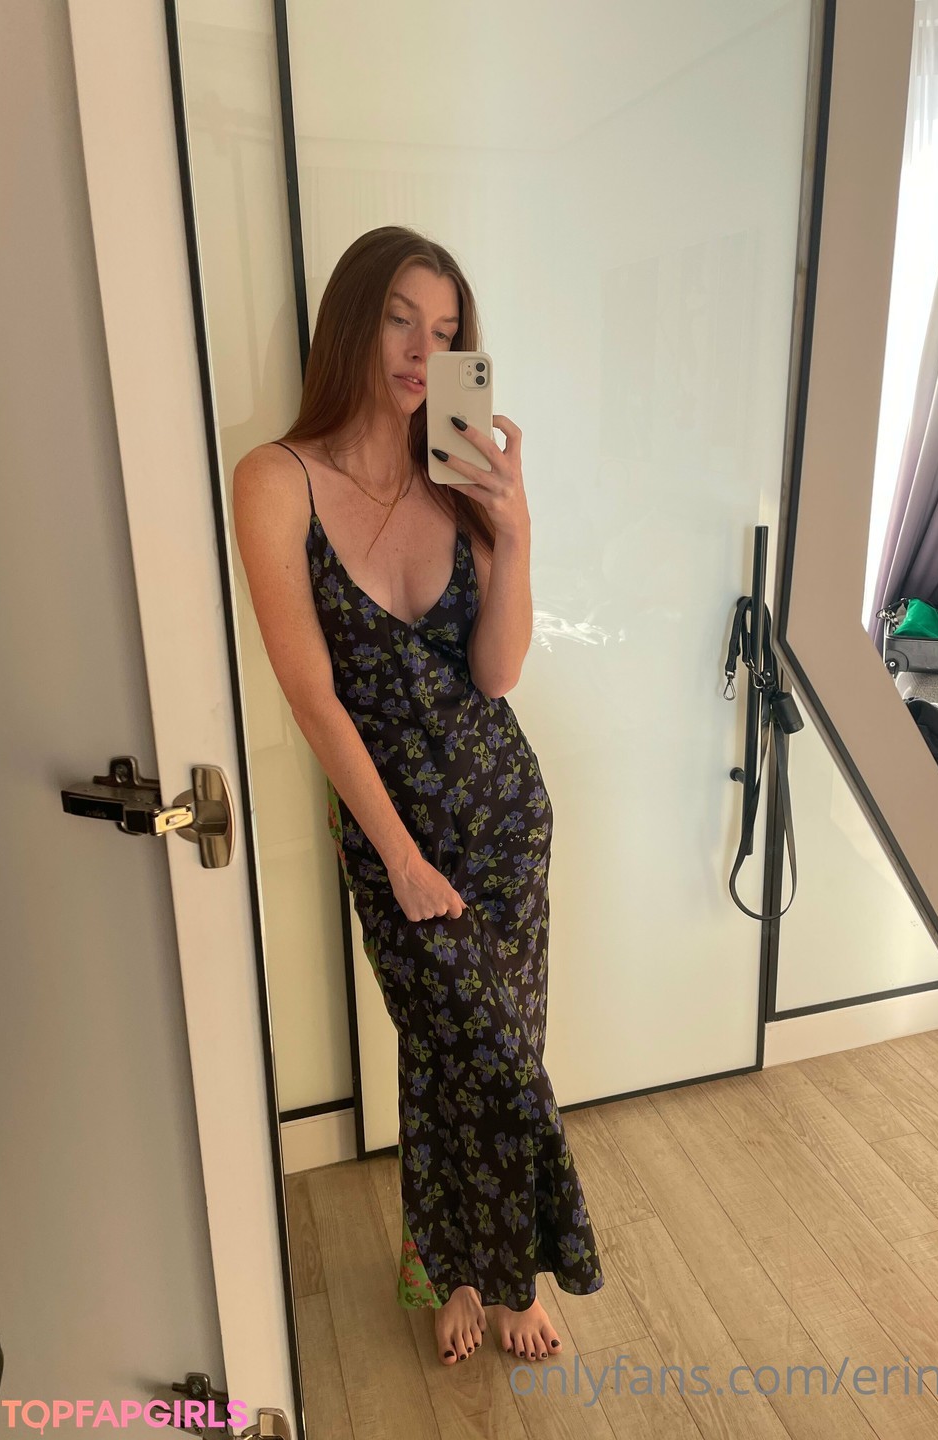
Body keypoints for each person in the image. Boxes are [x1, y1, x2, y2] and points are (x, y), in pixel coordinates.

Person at [233, 226, 603, 1368]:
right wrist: (396, 853)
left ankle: (466, 1273)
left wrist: (516, 527)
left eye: (444, 333)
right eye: (401, 317)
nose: (419, 350)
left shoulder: (457, 475)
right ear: (353, 316)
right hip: (394, 833)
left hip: (503, 817)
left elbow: (496, 675)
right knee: (472, 1051)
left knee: (490, 1048)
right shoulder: (275, 481)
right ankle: (499, 1269)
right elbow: (311, 695)